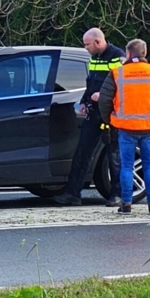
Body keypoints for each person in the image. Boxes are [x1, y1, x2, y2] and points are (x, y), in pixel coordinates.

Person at [99, 39, 150, 215]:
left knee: (126, 166)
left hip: (125, 127)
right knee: (149, 165)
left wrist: (108, 120)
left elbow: (104, 99)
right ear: (144, 53)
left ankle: (126, 204)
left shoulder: (117, 73)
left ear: (129, 53)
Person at [54, 28, 125, 207]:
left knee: (113, 155)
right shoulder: (95, 58)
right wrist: (85, 102)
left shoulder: (117, 58)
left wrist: (103, 96)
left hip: (111, 113)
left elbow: (122, 86)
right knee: (82, 152)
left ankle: (118, 194)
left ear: (98, 42)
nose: (85, 48)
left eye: (87, 44)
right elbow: (91, 82)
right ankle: (73, 193)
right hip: (94, 111)